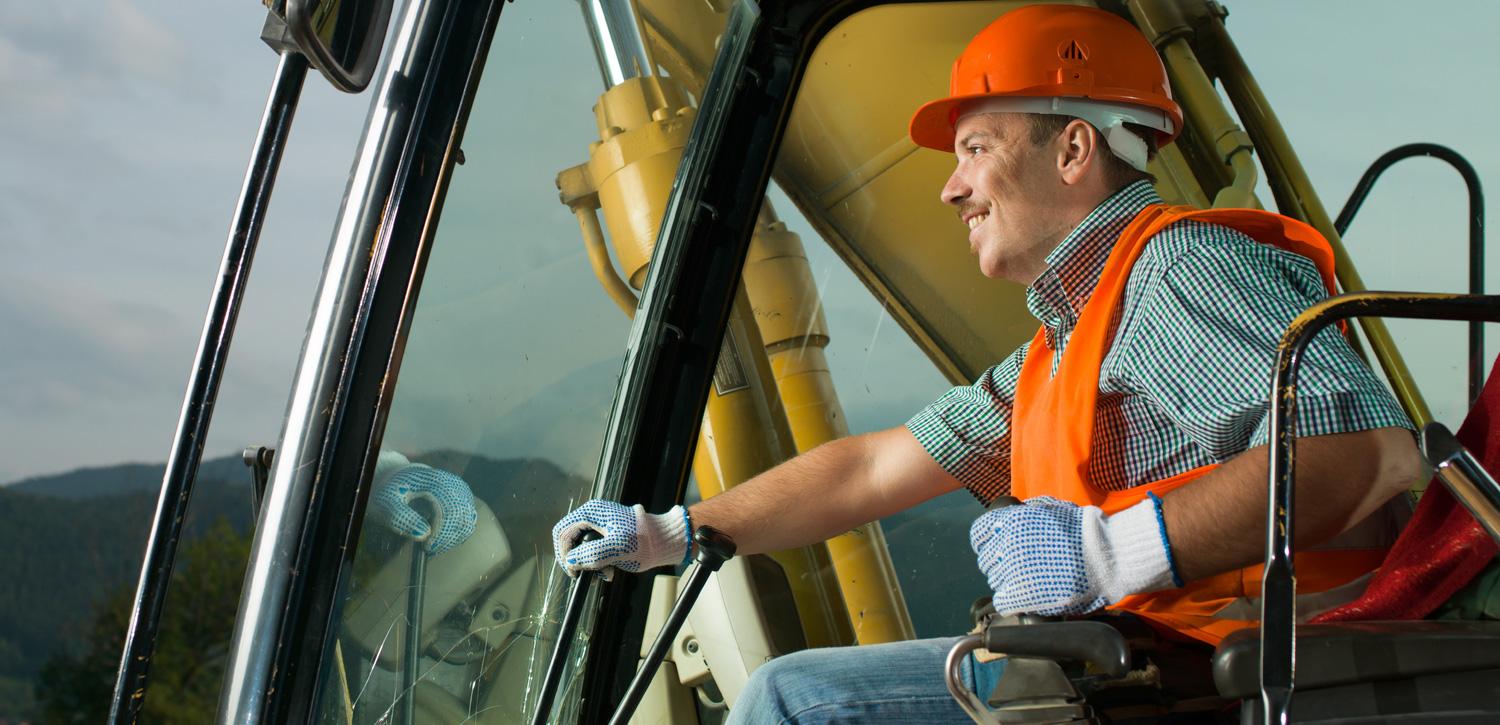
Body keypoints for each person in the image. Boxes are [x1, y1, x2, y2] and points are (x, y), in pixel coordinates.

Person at [550, 5, 1427, 722]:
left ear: (1076, 150)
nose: (951, 186)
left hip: (1225, 681)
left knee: (798, 701)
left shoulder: (1179, 270)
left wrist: (1107, 552)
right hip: (1131, 670)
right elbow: (871, 465)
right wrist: (674, 531)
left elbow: (1367, 452)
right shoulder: (1067, 338)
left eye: (976, 148)